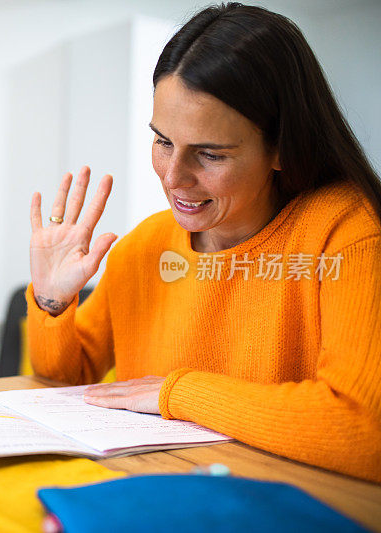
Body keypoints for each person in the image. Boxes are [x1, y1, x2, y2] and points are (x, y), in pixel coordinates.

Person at [27, 3, 381, 482]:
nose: (173, 178)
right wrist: (51, 300)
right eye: (163, 141)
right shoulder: (148, 243)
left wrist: (177, 393)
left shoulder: (347, 232)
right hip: (154, 491)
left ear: (281, 148)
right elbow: (66, 380)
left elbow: (364, 431)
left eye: (210, 154)